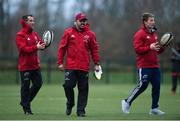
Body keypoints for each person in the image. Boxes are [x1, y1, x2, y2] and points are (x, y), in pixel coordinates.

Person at [121, 12, 165, 115]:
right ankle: (127, 102)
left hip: (155, 65)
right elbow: (137, 49)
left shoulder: (154, 34)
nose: (153, 22)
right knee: (143, 85)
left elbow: (157, 50)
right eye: (151, 20)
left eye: (153, 20)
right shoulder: (139, 34)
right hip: (144, 65)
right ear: (145, 22)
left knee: (157, 86)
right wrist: (149, 47)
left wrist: (163, 46)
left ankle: (154, 108)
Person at [57, 12, 100, 117]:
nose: (83, 22)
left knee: (83, 89)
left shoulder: (90, 34)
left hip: (84, 66)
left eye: (85, 21)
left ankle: (81, 111)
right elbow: (62, 48)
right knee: (68, 86)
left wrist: (96, 63)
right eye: (81, 20)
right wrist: (60, 62)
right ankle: (70, 103)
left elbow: (94, 49)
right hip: (70, 66)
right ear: (76, 21)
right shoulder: (68, 32)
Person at [16, 15, 46, 115]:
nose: (33, 22)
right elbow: (23, 49)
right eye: (30, 21)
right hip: (25, 66)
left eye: (33, 20)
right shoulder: (20, 35)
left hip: (35, 66)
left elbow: (40, 43)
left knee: (38, 84)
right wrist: (36, 47)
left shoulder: (35, 34)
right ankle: (27, 110)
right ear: (25, 22)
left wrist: (44, 44)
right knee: (25, 87)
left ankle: (24, 102)